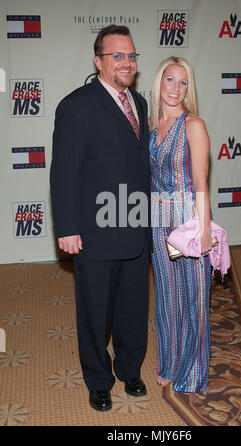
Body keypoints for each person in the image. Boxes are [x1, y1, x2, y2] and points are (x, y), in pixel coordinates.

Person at [50, 25, 151, 411]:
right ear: (99, 61)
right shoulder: (76, 104)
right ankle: (98, 379)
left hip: (135, 224)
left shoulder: (139, 103)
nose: (127, 62)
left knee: (133, 306)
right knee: (95, 310)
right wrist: (68, 227)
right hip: (94, 230)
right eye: (118, 56)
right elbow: (64, 172)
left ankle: (130, 370)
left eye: (131, 55)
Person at [149, 57, 212, 393]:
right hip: (156, 220)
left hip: (187, 219)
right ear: (159, 82)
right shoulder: (149, 124)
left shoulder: (194, 126)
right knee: (167, 297)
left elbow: (202, 182)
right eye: (169, 80)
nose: (175, 88)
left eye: (182, 82)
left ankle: (192, 368)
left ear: (189, 89)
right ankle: (170, 363)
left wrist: (203, 231)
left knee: (194, 297)